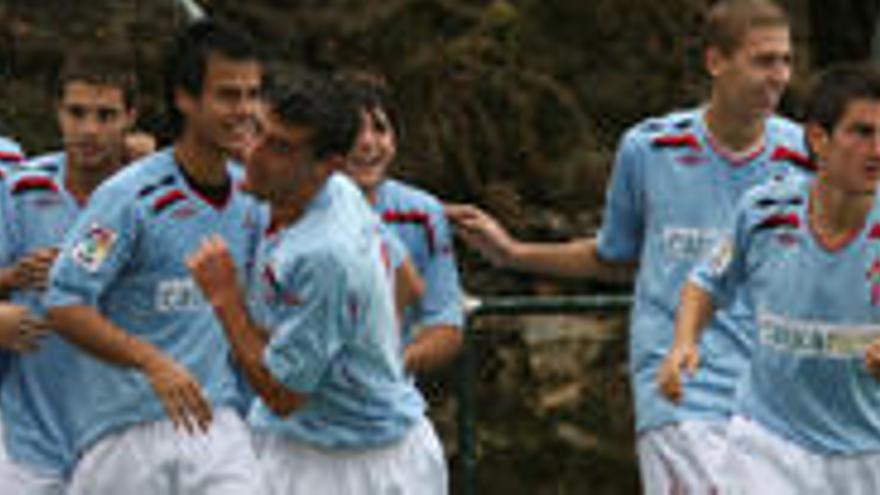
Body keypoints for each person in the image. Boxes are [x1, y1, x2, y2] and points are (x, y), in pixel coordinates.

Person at [447, 0, 812, 491]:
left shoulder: (810, 157)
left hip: (778, 398)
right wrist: (513, 253)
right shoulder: (649, 149)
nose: (779, 76)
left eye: (785, 61)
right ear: (715, 61)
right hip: (679, 395)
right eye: (763, 60)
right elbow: (617, 258)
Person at [187, 74, 446, 494]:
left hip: (350, 467)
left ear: (328, 165)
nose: (253, 154)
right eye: (258, 131)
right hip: (317, 445)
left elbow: (283, 395)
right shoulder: (341, 191)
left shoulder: (323, 253)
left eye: (281, 148)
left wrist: (224, 298)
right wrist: (358, 348)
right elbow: (408, 285)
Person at [43, 19, 266, 495]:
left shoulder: (254, 198)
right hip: (125, 435)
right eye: (229, 95)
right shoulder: (127, 197)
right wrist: (151, 361)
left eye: (253, 94)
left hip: (218, 426)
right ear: (185, 98)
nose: (245, 110)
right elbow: (63, 301)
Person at [664, 62, 880, 494]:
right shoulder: (764, 211)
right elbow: (706, 280)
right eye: (862, 132)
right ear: (818, 138)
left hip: (867, 454)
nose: (878, 148)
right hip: (767, 444)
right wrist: (684, 342)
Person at [0, 46, 140, 494]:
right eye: (76, 112)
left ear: (131, 117)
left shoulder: (150, 199)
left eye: (106, 115)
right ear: (56, 112)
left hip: (121, 443)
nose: (89, 130)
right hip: (28, 442)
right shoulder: (20, 188)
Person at [341, 74, 464, 374]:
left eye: (380, 129)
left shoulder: (422, 213)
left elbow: (446, 324)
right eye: (352, 131)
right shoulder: (287, 207)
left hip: (390, 401)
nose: (367, 142)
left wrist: (392, 366)